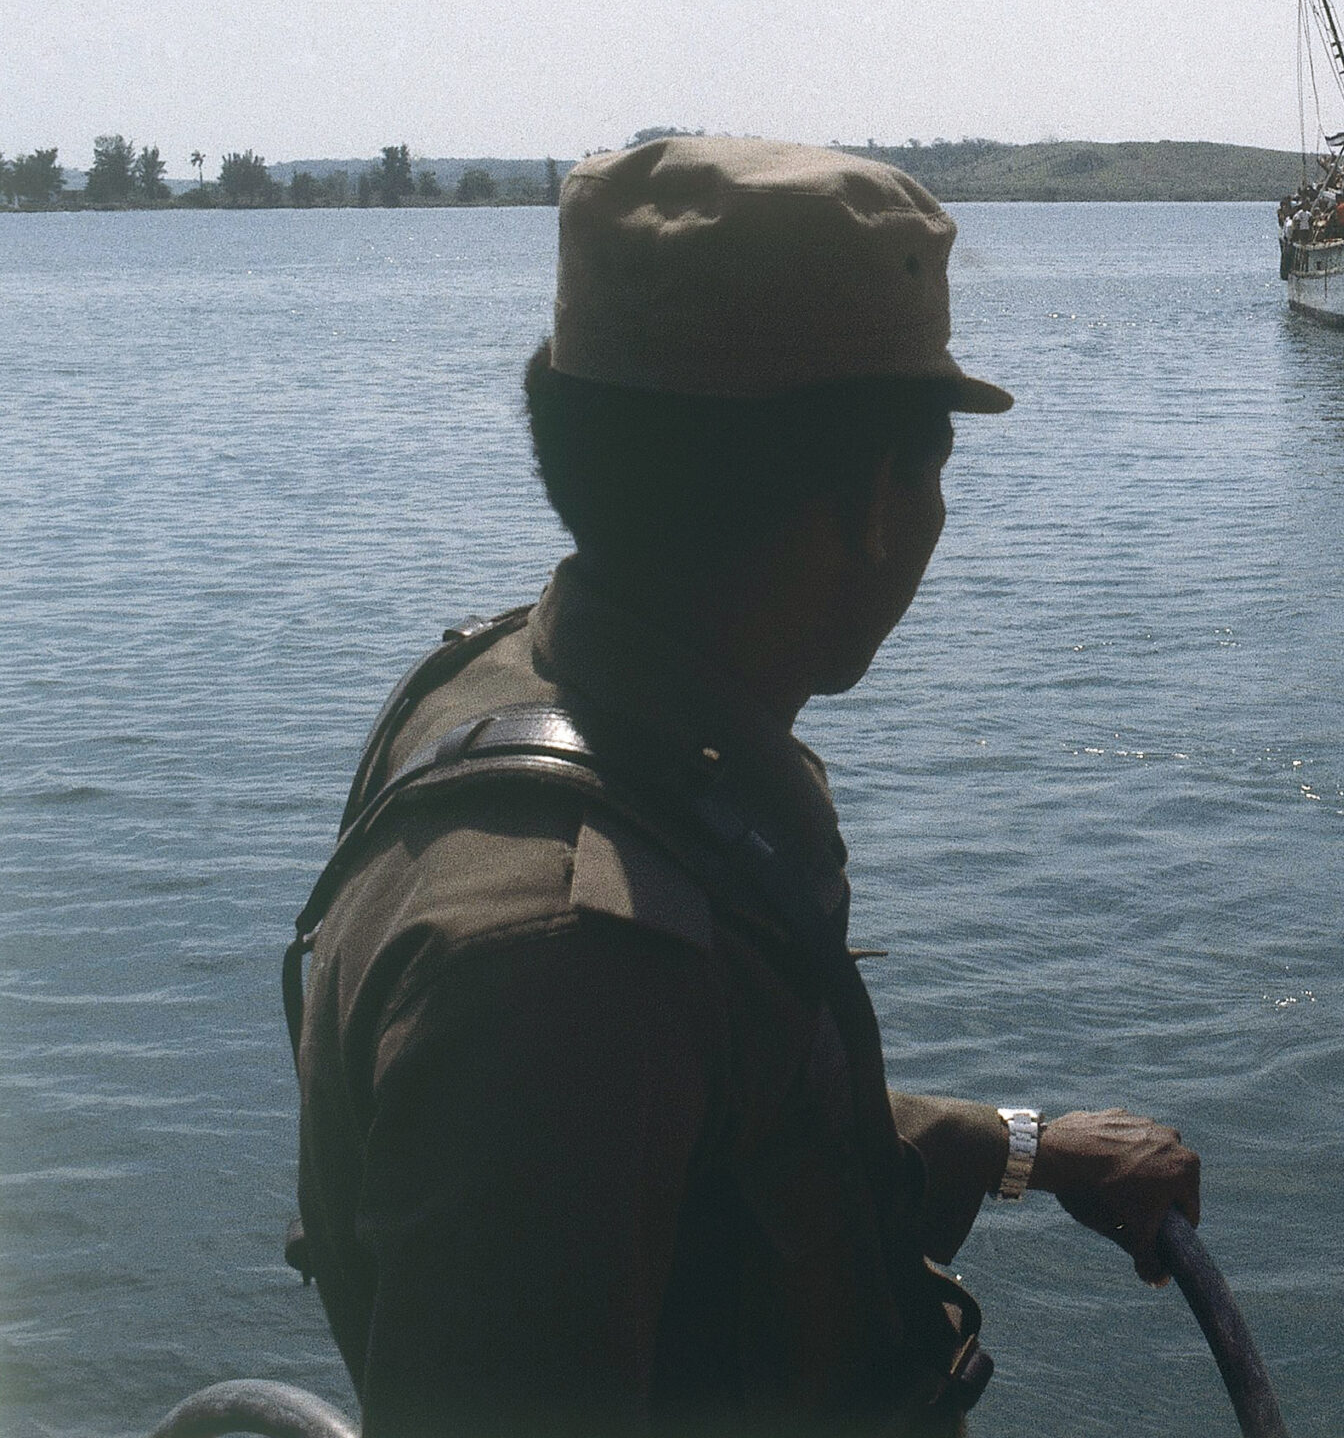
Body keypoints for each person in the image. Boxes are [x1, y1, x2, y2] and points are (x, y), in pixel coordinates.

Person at [288, 137, 1201, 1437]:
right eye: (935, 462)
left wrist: (1010, 1146)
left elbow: (711, 1131)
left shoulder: (497, 696)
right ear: (883, 499)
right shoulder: (574, 956)